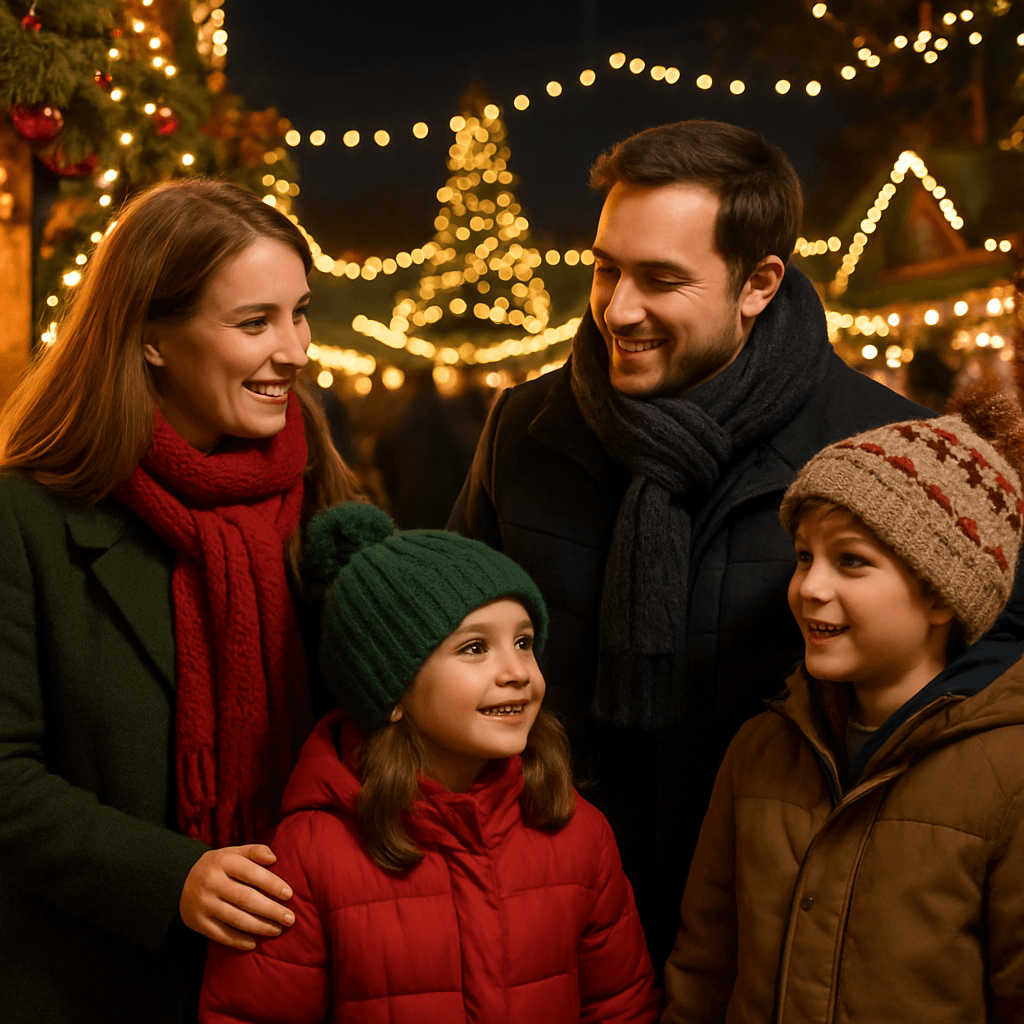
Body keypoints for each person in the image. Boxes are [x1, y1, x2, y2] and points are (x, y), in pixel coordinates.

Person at [448, 118, 929, 963]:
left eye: (661, 280)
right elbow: (448, 646)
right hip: (550, 912)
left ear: (758, 283)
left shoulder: (887, 450)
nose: (617, 309)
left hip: (788, 928)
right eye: (605, 269)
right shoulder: (526, 428)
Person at [0, 179, 359, 1023]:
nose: (298, 350)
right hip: (94, 979)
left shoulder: (322, 493)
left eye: (299, 312)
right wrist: (172, 875)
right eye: (254, 323)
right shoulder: (26, 517)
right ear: (153, 337)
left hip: (301, 968)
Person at [199, 501, 659, 1024]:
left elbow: (621, 1006)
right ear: (391, 691)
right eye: (474, 648)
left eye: (524, 642)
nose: (516, 671)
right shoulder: (310, 856)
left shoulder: (578, 833)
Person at [662, 390, 1024, 1022]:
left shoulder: (1009, 775)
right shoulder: (762, 749)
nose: (808, 588)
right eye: (805, 556)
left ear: (942, 596)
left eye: (851, 561)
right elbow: (704, 965)